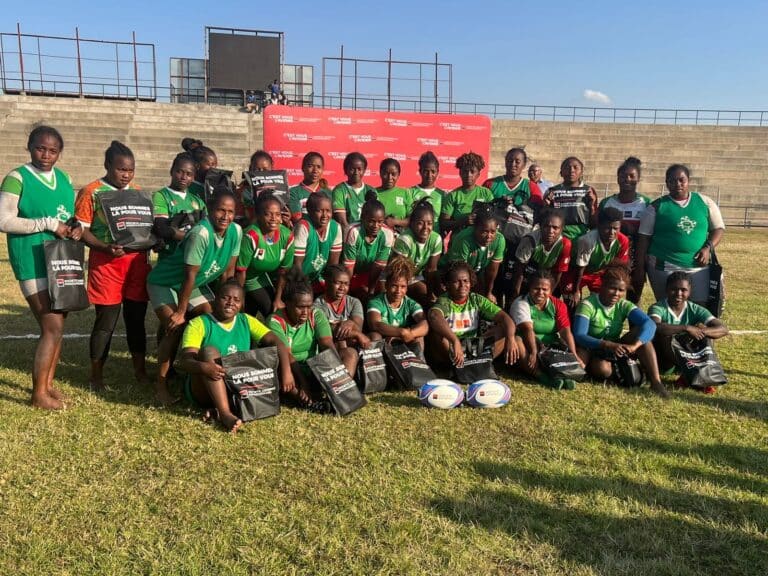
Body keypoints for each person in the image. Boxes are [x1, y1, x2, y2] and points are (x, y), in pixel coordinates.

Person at [0, 125, 82, 410]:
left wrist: (75, 227)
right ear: (29, 147)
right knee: (51, 326)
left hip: (61, 259)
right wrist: (46, 223)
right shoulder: (17, 178)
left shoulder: (64, 178)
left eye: (52, 150)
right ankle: (38, 395)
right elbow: (4, 221)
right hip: (32, 260)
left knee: (58, 325)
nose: (46, 155)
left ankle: (47, 386)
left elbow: (67, 216)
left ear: (59, 153)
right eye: (40, 148)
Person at [146, 190, 242, 405]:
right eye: (221, 210)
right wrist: (181, 312)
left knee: (211, 317)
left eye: (230, 212)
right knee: (175, 327)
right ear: (210, 210)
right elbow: (188, 275)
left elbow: (228, 273)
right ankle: (161, 385)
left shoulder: (236, 231)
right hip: (166, 282)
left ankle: (198, 373)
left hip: (194, 284)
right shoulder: (201, 234)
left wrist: (226, 302)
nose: (225, 216)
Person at [75, 140, 150, 391]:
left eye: (130, 170)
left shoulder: (138, 192)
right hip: (106, 264)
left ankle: (140, 371)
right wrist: (105, 247)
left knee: (136, 319)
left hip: (136, 264)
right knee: (106, 322)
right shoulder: (91, 192)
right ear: (107, 165)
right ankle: (96, 376)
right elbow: (81, 231)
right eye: (121, 169)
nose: (126, 175)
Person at [177, 280, 295, 432]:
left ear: (242, 304)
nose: (230, 303)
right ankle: (225, 414)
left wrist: (286, 372)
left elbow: (276, 342)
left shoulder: (246, 320)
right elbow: (183, 361)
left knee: (267, 354)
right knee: (209, 352)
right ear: (215, 299)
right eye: (225, 298)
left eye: (236, 300)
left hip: (236, 386)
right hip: (205, 387)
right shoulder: (199, 323)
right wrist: (204, 367)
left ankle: (219, 409)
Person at [572, 265, 670, 398]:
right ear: (602, 285)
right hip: (592, 347)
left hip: (615, 345)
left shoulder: (623, 305)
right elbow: (579, 335)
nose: (616, 293)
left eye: (621, 290)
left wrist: (635, 345)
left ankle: (656, 382)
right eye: (612, 288)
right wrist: (608, 345)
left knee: (642, 336)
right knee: (603, 370)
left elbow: (650, 324)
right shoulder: (588, 305)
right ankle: (618, 369)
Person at [634, 164, 725, 306]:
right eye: (672, 180)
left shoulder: (705, 202)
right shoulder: (656, 207)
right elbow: (643, 238)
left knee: (700, 307)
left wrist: (708, 248)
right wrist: (640, 268)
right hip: (665, 266)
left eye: (681, 180)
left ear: (688, 181)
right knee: (669, 307)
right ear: (667, 183)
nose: (677, 184)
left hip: (698, 267)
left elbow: (718, 228)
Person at [427, 261, 518, 369]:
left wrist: (511, 338)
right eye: (456, 282)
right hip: (452, 347)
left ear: (471, 282)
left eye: (466, 281)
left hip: (472, 347)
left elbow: (505, 318)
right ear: (447, 284)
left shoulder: (476, 299)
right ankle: (454, 365)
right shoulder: (445, 301)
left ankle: (482, 362)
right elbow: (434, 315)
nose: (462, 285)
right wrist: (455, 340)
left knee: (504, 329)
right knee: (438, 334)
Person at [648, 271, 729, 391]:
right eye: (674, 289)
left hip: (688, 358)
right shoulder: (658, 307)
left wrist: (700, 331)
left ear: (690, 291)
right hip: (665, 361)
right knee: (666, 335)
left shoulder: (695, 309)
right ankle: (692, 375)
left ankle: (695, 373)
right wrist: (686, 328)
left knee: (705, 333)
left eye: (683, 290)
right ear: (666, 289)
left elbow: (723, 329)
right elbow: (655, 326)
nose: (678, 293)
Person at [267, 270, 335, 410]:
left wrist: (338, 371)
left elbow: (327, 344)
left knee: (349, 354)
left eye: (309, 306)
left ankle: (337, 395)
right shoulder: (275, 321)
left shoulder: (316, 314)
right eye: (300, 307)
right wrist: (303, 384)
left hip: (314, 368)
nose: (305, 312)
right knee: (279, 372)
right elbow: (287, 355)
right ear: (287, 303)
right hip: (291, 371)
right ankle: (311, 403)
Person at [509, 270, 582, 389]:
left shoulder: (558, 304)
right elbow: (527, 329)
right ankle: (542, 377)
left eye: (545, 289)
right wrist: (533, 352)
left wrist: (574, 356)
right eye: (536, 288)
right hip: (528, 343)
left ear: (551, 290)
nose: (540, 292)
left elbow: (565, 331)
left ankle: (565, 375)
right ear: (529, 288)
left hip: (550, 345)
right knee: (517, 341)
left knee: (562, 345)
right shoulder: (521, 303)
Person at [235, 193, 294, 318]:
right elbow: (240, 271)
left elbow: (284, 271)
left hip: (260, 276)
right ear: (258, 216)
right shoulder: (251, 235)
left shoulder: (287, 236)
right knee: (249, 312)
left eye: (277, 214)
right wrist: (238, 299)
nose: (274, 218)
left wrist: (278, 299)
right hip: (244, 278)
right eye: (268, 214)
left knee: (273, 310)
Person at [599, 157, 650, 299]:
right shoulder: (607, 202)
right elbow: (597, 230)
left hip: (636, 257)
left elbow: (649, 234)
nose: (627, 179)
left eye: (632, 176)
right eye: (623, 176)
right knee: (608, 297)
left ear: (638, 179)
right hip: (611, 258)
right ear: (617, 178)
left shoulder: (646, 203)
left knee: (633, 298)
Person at [563, 207, 629, 304]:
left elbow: (619, 267)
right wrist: (575, 291)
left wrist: (612, 287)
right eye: (607, 228)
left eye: (616, 228)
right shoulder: (588, 240)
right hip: (575, 272)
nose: (612, 232)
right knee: (572, 302)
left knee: (604, 301)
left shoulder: (623, 241)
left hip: (598, 273)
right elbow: (580, 267)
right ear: (599, 226)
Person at [314, 265, 371, 377]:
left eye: (346, 284)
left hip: (351, 344)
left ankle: (370, 380)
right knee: (345, 348)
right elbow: (327, 331)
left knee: (373, 337)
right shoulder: (318, 306)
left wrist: (351, 324)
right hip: (328, 350)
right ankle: (344, 384)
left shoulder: (354, 302)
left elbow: (358, 327)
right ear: (326, 283)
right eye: (338, 283)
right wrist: (355, 333)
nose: (342, 287)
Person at [441, 207, 505, 302]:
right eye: (484, 231)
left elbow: (492, 271)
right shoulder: (464, 239)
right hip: (451, 275)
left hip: (475, 274)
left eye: (493, 232)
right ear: (475, 228)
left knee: (485, 301)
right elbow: (459, 273)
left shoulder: (499, 240)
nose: (489, 236)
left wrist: (488, 293)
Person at [152, 152, 206, 261]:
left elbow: (207, 227)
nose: (183, 177)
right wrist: (194, 238)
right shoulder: (161, 196)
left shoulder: (198, 201)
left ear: (193, 177)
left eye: (189, 174)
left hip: (195, 258)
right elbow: (162, 228)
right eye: (179, 172)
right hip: (170, 258)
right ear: (171, 171)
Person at [367, 256, 429, 348]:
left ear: (407, 288)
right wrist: (401, 332)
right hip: (384, 340)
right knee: (375, 336)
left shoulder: (411, 304)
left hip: (403, 339)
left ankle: (417, 358)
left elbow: (424, 324)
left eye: (403, 286)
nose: (398, 291)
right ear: (386, 285)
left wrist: (409, 334)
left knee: (419, 337)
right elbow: (375, 325)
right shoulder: (376, 302)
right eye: (394, 286)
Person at [390, 199, 443, 305]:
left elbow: (431, 270)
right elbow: (398, 272)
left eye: (429, 223)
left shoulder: (436, 239)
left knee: (441, 294)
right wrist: (427, 294)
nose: (425, 228)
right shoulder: (406, 239)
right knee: (424, 296)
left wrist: (431, 294)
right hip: (397, 277)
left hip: (417, 276)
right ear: (412, 223)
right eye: (420, 223)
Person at [342, 194, 394, 301]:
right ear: (362, 218)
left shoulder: (387, 234)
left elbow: (378, 267)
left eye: (380, 222)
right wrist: (347, 293)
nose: (376, 226)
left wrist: (371, 292)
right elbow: (349, 268)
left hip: (373, 276)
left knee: (383, 294)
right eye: (371, 221)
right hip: (352, 275)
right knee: (358, 294)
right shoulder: (353, 231)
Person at [512, 208, 571, 299]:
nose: (550, 231)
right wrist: (516, 294)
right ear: (540, 226)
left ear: (561, 229)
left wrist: (548, 296)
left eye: (555, 228)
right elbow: (519, 270)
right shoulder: (530, 241)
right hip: (528, 275)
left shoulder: (565, 244)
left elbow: (557, 274)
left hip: (548, 277)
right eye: (546, 226)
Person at [293, 192, 342, 289]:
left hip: (317, 279)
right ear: (309, 211)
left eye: (328, 211)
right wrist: (303, 289)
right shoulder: (303, 226)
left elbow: (333, 265)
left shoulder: (335, 227)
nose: (325, 215)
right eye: (319, 211)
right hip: (298, 280)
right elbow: (296, 266)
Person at [544, 156, 598, 240]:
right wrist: (546, 205)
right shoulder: (552, 191)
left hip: (581, 235)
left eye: (575, 167)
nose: (571, 170)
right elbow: (545, 218)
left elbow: (594, 222)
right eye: (567, 167)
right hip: (558, 235)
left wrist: (592, 206)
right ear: (561, 172)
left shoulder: (588, 191)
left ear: (581, 172)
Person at [440, 152, 493, 234]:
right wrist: (462, 221)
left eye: (472, 171)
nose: (468, 175)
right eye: (465, 171)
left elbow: (493, 219)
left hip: (481, 240)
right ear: (460, 173)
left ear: (478, 174)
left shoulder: (486, 193)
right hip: (459, 240)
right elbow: (444, 224)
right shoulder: (453, 195)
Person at [332, 152, 377, 233]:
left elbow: (376, 218)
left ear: (364, 170)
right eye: (352, 169)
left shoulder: (371, 190)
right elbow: (342, 222)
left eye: (359, 169)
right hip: (348, 235)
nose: (356, 172)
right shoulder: (339, 190)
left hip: (368, 235)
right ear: (346, 170)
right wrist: (354, 237)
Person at [410, 151, 446, 234]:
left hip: (436, 238)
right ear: (420, 171)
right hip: (415, 238)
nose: (429, 175)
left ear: (437, 172)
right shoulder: (410, 192)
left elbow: (444, 221)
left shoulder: (442, 195)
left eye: (433, 171)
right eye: (426, 171)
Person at [288, 152, 329, 223]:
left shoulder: (328, 193)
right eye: (310, 166)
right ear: (303, 168)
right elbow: (297, 218)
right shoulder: (293, 192)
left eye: (319, 167)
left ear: (322, 170)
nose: (315, 170)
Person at [376, 158, 413, 231]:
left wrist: (396, 222)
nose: (390, 177)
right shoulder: (374, 193)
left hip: (401, 236)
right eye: (386, 174)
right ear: (380, 173)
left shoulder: (405, 193)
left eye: (393, 174)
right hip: (380, 236)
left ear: (398, 175)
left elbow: (413, 219)